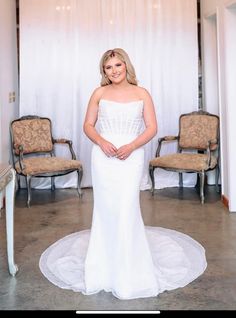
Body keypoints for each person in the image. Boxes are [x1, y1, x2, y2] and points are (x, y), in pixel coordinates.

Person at [39, 48, 207, 300]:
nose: (114, 70)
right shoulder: (99, 93)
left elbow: (152, 128)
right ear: (103, 71)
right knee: (106, 208)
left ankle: (131, 270)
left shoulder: (142, 93)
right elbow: (87, 124)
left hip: (131, 154)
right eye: (109, 67)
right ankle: (102, 268)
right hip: (103, 156)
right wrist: (102, 142)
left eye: (118, 65)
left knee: (127, 207)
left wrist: (131, 146)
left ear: (126, 66)